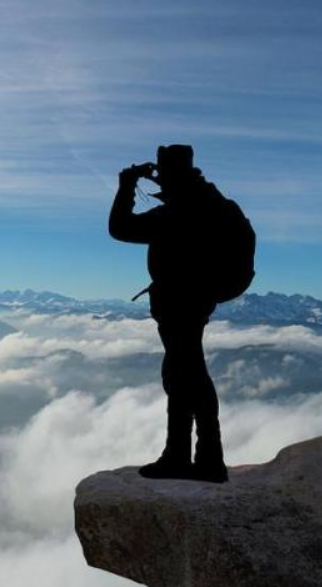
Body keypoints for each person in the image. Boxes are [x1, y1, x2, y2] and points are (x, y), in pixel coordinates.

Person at [108, 144, 232, 483]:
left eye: (162, 173)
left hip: (180, 304)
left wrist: (127, 184)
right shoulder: (208, 203)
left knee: (185, 377)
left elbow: (120, 228)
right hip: (194, 301)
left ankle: (196, 458)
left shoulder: (180, 211)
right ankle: (196, 456)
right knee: (185, 375)